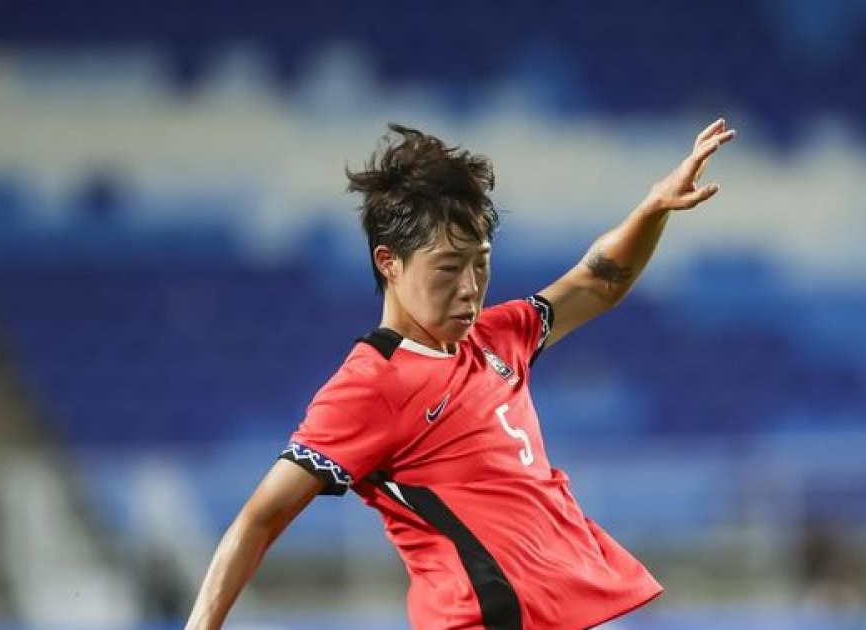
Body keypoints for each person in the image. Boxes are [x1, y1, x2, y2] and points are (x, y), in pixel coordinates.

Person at [185, 119, 736, 630]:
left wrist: (652, 208)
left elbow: (597, 282)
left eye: (481, 262)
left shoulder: (499, 337)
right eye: (449, 268)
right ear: (389, 262)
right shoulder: (370, 384)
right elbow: (260, 518)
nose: (471, 287)